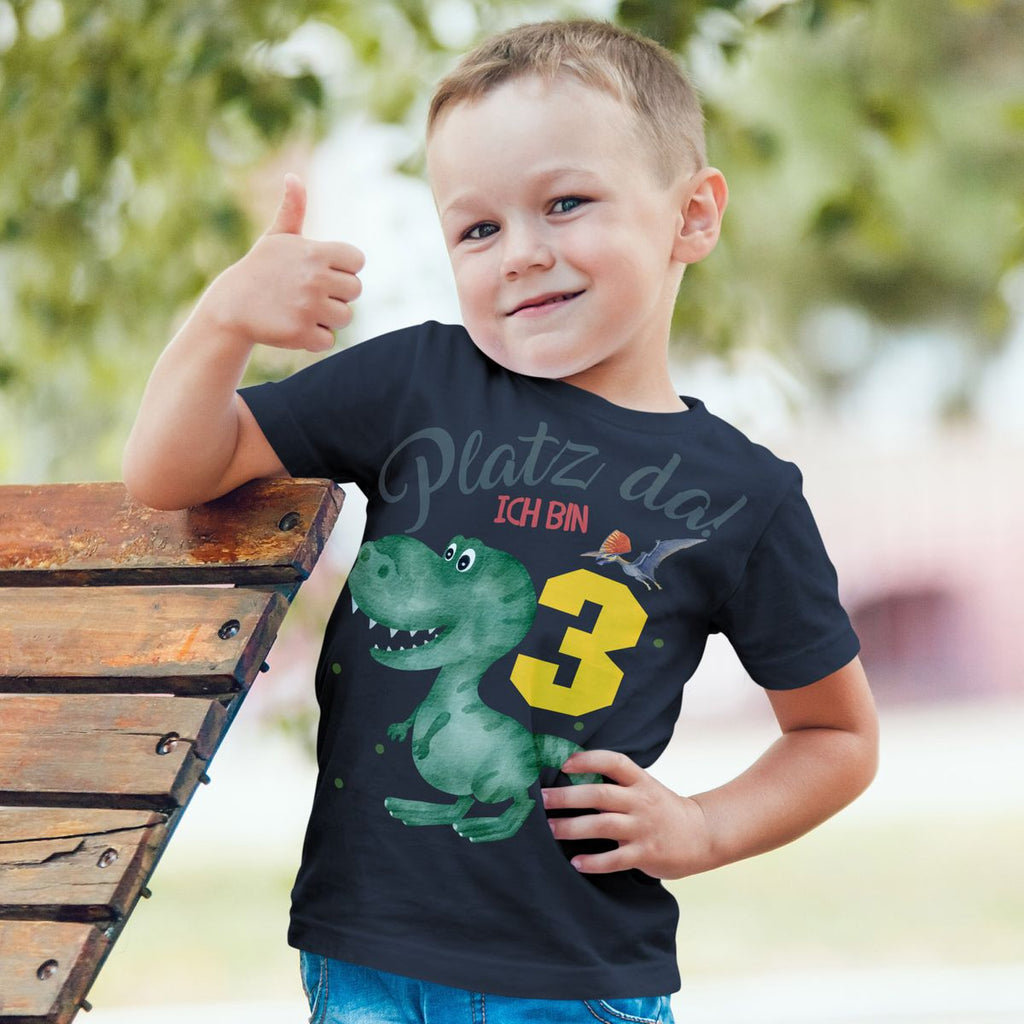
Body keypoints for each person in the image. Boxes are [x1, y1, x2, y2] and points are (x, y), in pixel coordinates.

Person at [123, 19, 878, 1024]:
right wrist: (223, 318)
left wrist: (701, 826)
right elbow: (170, 471)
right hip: (365, 958)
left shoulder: (746, 491)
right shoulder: (414, 382)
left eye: (564, 203)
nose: (520, 254)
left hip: (577, 978)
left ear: (691, 216)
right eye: (476, 229)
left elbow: (835, 734)